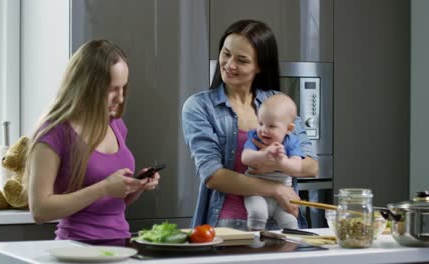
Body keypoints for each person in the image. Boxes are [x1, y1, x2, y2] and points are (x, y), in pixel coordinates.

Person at [182, 19, 318, 230]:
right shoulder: (200, 106)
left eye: (242, 60)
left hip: (283, 225)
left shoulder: (279, 103)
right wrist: (276, 189)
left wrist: (276, 163)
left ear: (260, 66)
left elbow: (311, 166)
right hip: (226, 226)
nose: (229, 65)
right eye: (226, 53)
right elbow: (213, 176)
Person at [24, 39, 160, 240]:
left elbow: (110, 205)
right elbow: (40, 210)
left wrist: (135, 186)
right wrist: (104, 187)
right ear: (87, 86)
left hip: (120, 247)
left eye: (123, 87)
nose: (120, 98)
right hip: (76, 250)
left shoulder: (115, 125)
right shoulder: (54, 133)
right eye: (112, 89)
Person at [242, 94, 307, 230]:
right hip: (256, 191)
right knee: (258, 213)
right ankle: (255, 243)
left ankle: (290, 249)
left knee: (290, 221)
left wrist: (281, 162)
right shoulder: (255, 137)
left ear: (288, 129)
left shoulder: (291, 142)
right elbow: (245, 158)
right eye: (260, 123)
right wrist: (262, 154)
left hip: (281, 198)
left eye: (271, 126)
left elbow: (296, 168)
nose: (263, 130)